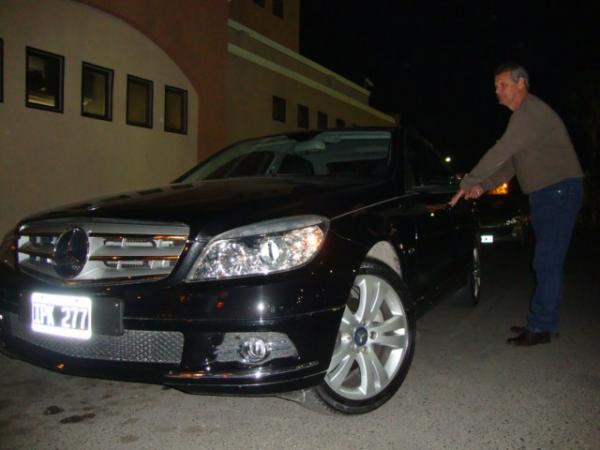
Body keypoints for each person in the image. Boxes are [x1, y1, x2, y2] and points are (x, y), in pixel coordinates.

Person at [449, 62, 583, 346]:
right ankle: (544, 322)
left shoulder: (530, 112)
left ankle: (540, 325)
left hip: (558, 192)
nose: (497, 91)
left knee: (546, 260)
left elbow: (500, 151)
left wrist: (467, 182)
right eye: (495, 86)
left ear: (521, 83)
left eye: (503, 85)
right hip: (548, 194)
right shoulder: (524, 119)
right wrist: (483, 186)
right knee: (548, 260)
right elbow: (511, 165)